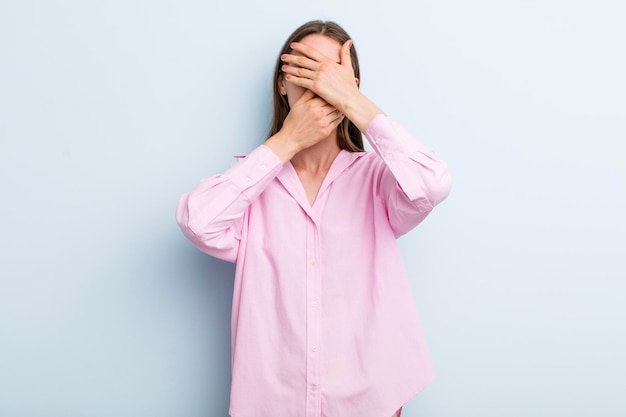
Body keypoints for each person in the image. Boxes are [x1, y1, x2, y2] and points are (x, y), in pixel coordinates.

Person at [176, 20, 451, 417]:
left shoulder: (379, 180)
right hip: (272, 403)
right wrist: (287, 141)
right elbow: (197, 222)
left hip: (371, 400)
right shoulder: (250, 186)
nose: (319, 83)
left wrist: (354, 103)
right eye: (306, 69)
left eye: (330, 73)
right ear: (282, 84)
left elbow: (433, 184)